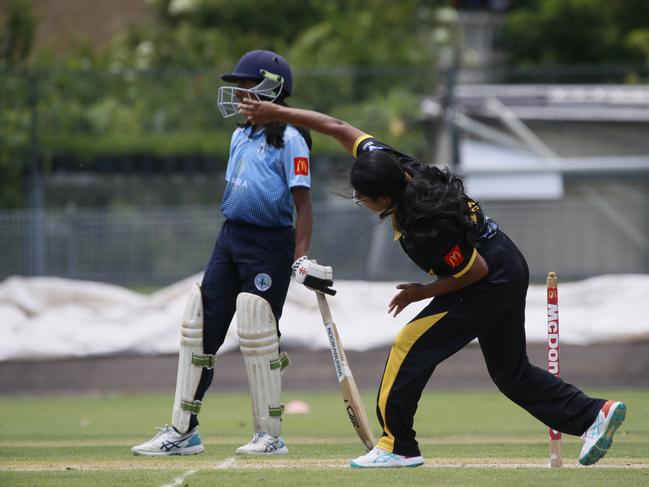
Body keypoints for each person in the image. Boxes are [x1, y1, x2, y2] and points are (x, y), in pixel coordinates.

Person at [238, 98, 627, 468]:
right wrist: (278, 112)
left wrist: (422, 293)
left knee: (409, 343)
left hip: (490, 277)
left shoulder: (423, 227)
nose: (362, 203)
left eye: (362, 199)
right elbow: (338, 127)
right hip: (505, 259)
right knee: (512, 374)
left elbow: (473, 273)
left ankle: (397, 445)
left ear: (383, 197)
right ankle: (595, 414)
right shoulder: (392, 163)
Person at [132, 50, 334, 457]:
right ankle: (183, 430)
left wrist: (301, 255)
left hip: (270, 244)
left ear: (270, 90)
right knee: (200, 330)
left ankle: (270, 435)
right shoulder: (240, 135)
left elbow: (304, 206)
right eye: (239, 86)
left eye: (246, 86)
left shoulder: (291, 138)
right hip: (230, 240)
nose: (239, 94)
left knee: (258, 333)